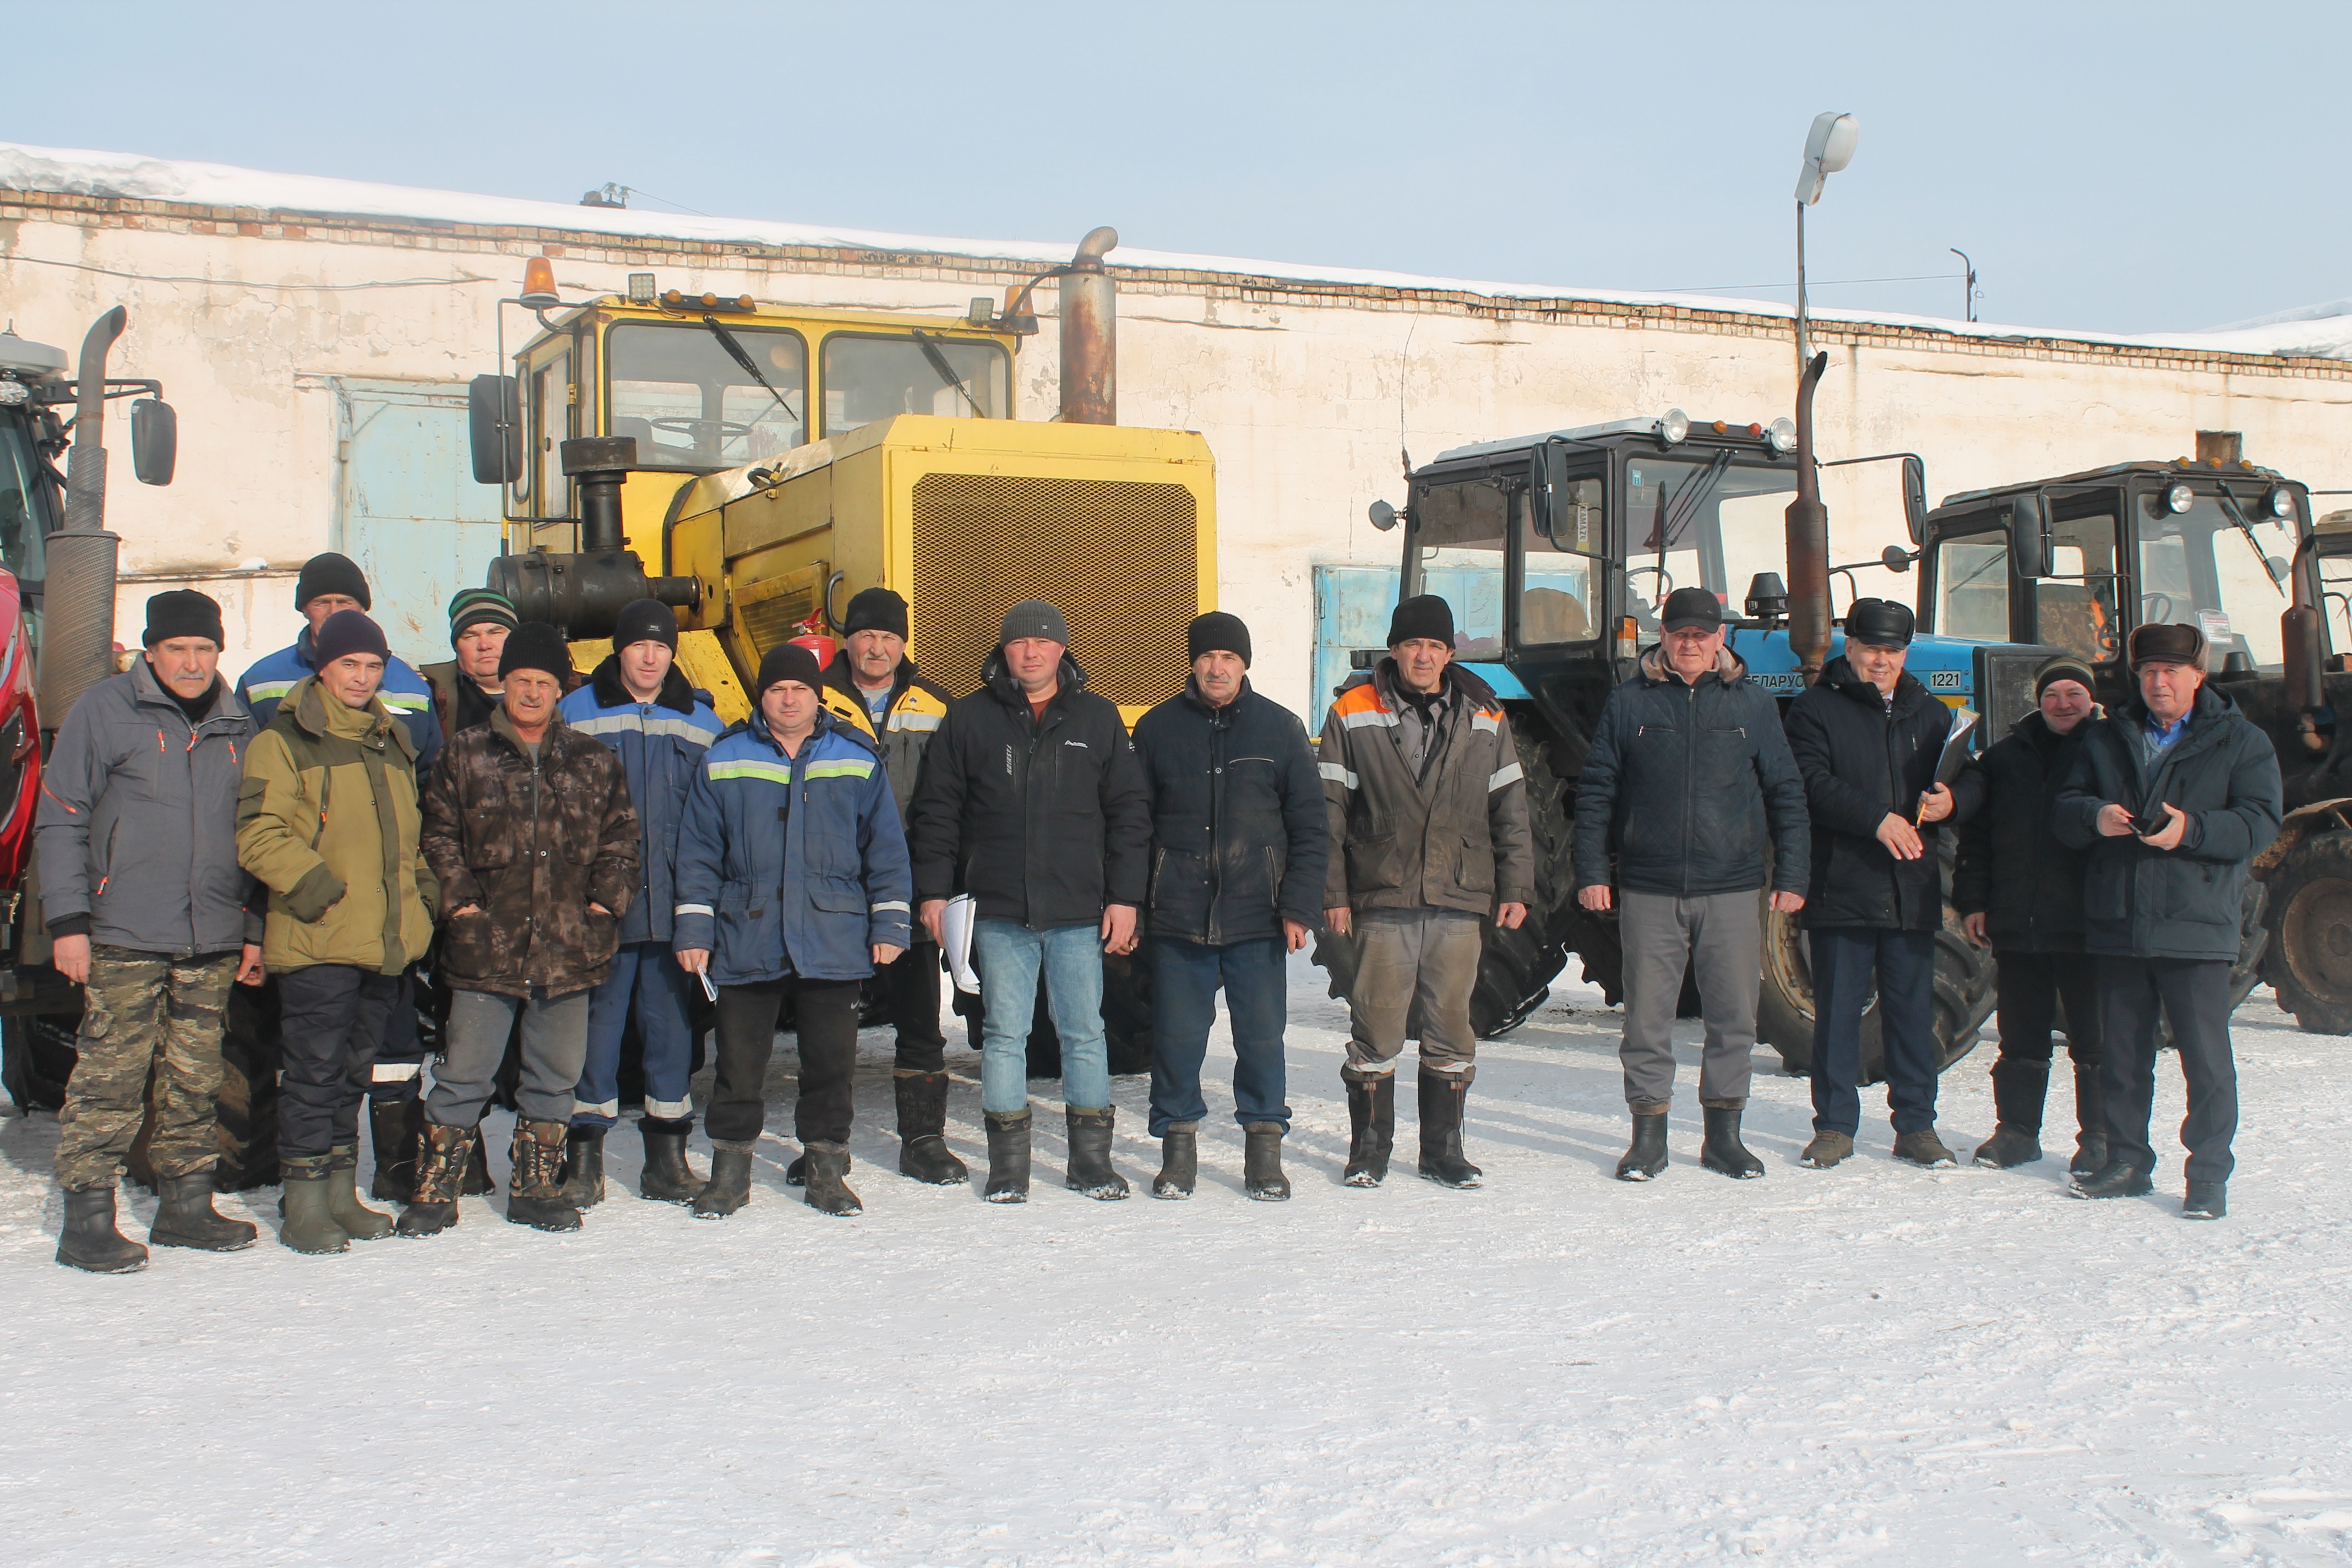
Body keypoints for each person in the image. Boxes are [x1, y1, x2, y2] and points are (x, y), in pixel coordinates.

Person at [37, 590, 264, 1271]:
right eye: (178, 649)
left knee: (196, 1078)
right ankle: (87, 1218)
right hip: (123, 928)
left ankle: (186, 1205)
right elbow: (61, 817)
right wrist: (68, 922)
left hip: (212, 931)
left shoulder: (238, 723)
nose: (193, 663)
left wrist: (253, 928)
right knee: (111, 1076)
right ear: (151, 651)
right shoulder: (104, 710)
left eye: (204, 649)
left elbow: (258, 832)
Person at [908, 600, 1151, 1204]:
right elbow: (937, 811)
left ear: (1062, 649)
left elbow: (1129, 814)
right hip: (998, 909)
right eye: (1020, 643)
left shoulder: (1098, 717)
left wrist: (1125, 897)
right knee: (1004, 1034)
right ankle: (1008, 1168)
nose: (1032, 652)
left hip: (1078, 910)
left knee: (1085, 1033)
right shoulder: (969, 718)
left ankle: (1091, 1163)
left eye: (1043, 642)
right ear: (1005, 651)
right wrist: (934, 892)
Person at [405, 623, 639, 1237]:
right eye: (521, 681)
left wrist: (602, 909)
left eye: (544, 682)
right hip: (486, 947)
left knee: (554, 1077)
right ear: (503, 684)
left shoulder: (593, 760)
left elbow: (621, 841)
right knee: (464, 1074)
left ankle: (536, 1187)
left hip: (569, 948)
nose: (532, 693)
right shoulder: (464, 754)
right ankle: (435, 1190)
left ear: (560, 689)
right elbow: (438, 836)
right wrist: (460, 907)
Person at [1572, 587, 1810, 1182]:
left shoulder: (1753, 704)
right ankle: (1648, 1137)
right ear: (1665, 636)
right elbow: (1597, 790)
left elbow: (1786, 791)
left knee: (1734, 1018)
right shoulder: (1630, 702)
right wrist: (1593, 871)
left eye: (1701, 635)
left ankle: (1724, 1137)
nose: (1690, 644)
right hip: (1650, 888)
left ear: (1720, 638)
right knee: (1647, 1021)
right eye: (1680, 633)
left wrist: (1794, 874)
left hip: (1731, 887)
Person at [672, 641, 913, 1219]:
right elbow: (699, 852)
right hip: (746, 933)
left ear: (817, 696)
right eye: (777, 689)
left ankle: (827, 1170)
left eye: (799, 689)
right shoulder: (726, 757)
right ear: (762, 697)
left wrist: (890, 922)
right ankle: (730, 1174)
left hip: (832, 936)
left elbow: (885, 849)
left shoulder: (855, 757)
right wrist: (694, 931)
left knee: (830, 1066)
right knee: (737, 1066)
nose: (788, 699)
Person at [2054, 623, 2280, 1219]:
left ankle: (2207, 1177)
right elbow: (2064, 808)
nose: (2158, 682)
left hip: (2194, 921)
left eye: (2171, 672)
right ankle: (2127, 1162)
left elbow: (2260, 822)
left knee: (2206, 1062)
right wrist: (2095, 816)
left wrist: (2192, 830)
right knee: (2123, 1058)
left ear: (2197, 676)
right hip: (2119, 920)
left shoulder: (2242, 740)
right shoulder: (2106, 737)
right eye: (2149, 671)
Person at [239, 553, 445, 1199]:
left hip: (382, 942)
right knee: (313, 1074)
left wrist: (423, 899)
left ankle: (338, 1194)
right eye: (349, 665)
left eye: (372, 666)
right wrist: (319, 892)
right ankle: (304, 1200)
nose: (361, 677)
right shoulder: (283, 740)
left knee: (355, 1073)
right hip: (319, 938)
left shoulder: (390, 742)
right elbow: (258, 833)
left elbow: (410, 837)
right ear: (323, 667)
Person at [1319, 593, 1534, 1190]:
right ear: (1394, 650)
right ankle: (1370, 1151)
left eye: (1435, 646)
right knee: (1377, 1026)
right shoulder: (1352, 711)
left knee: (1450, 1026)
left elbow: (1511, 809)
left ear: (1449, 654)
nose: (1423, 656)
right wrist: (1333, 894)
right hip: (1382, 894)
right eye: (1412, 644)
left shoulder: (1486, 716)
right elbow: (1327, 812)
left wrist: (1517, 885)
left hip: (1458, 895)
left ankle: (1443, 1151)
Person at [1131, 611, 1327, 1201]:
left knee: (1262, 1041)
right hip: (1177, 915)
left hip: (1256, 917)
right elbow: (1134, 825)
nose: (1217, 668)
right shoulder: (1158, 728)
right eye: (1208, 657)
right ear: (1193, 662)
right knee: (1176, 1041)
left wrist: (1298, 906)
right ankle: (1177, 1151)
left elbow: (1310, 827)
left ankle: (1264, 1152)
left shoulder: (1280, 728)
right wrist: (1134, 904)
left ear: (1245, 665)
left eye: (1229, 658)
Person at [1782, 598, 1978, 1170]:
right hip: (1843, 884)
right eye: (1871, 649)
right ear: (1850, 648)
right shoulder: (1815, 709)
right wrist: (1876, 820)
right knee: (1838, 1014)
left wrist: (1952, 800)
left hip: (1910, 889)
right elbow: (1809, 781)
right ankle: (1834, 1126)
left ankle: (1916, 1126)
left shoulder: (1931, 712)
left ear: (1905, 654)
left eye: (1893, 650)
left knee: (1912, 1015)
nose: (1881, 660)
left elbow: (1970, 777)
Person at [557, 598, 723, 1204]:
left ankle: (666, 1161)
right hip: (600, 907)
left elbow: (716, 821)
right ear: (619, 651)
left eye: (661, 647)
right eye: (639, 646)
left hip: (672, 906)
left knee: (671, 1029)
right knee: (595, 1031)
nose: (650, 658)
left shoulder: (702, 722)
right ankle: (584, 1160)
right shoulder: (575, 713)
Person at [817, 585, 963, 1185]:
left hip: (909, 887)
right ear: (848, 640)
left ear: (903, 644)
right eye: (866, 636)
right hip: (831, 891)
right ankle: (822, 1142)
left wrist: (939, 886)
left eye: (888, 637)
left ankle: (924, 1140)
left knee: (920, 1020)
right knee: (828, 1027)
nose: (876, 648)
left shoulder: (937, 706)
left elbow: (951, 803)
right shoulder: (811, 699)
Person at [1956, 655, 2106, 1173]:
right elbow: (1977, 837)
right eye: (2052, 695)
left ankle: (2100, 1138)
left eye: (2074, 694)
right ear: (2037, 702)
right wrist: (1973, 901)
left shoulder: (2109, 752)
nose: (2063, 704)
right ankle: (2017, 1132)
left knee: (2095, 1039)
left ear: (2092, 700)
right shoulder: (2004, 758)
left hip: (2088, 923)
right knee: (2020, 1036)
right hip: (2018, 920)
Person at [237, 552, 443, 767]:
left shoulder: (410, 685)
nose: (333, 612)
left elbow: (427, 771)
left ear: (363, 609)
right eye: (321, 603)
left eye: (345, 602)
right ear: (304, 609)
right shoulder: (261, 679)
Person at [421, 587, 517, 739]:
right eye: (471, 636)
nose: (484, 645)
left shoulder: (553, 692)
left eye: (495, 632)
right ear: (456, 647)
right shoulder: (432, 698)